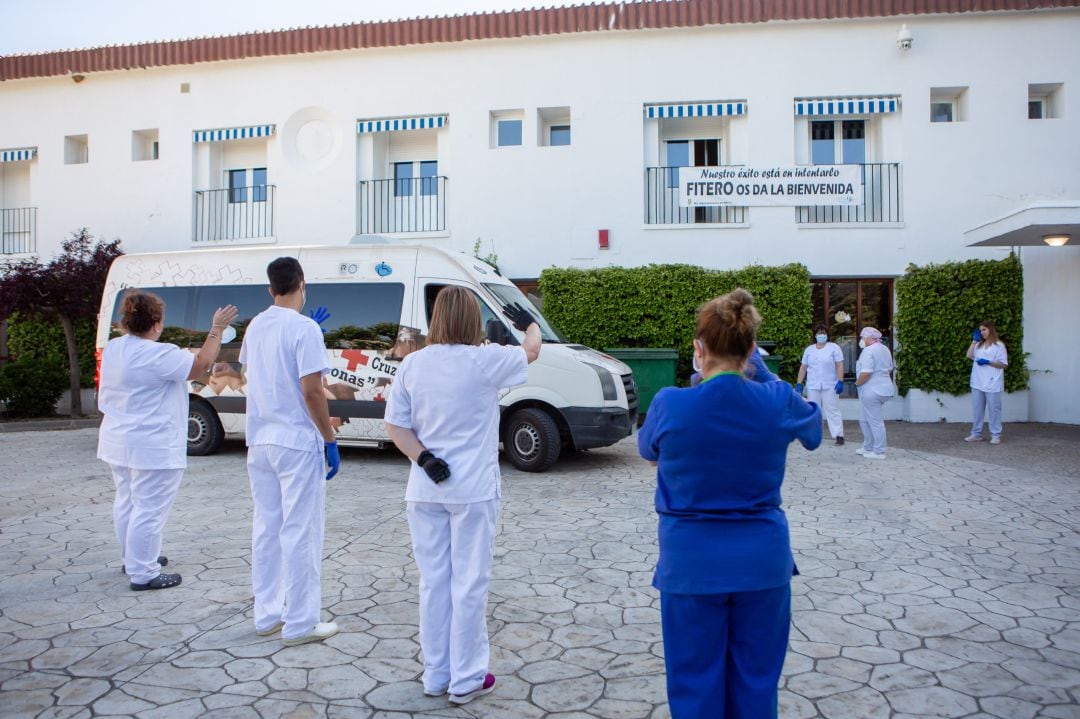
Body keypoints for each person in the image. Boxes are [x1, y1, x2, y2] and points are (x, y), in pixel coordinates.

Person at [637, 288, 821, 719]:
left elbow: (648, 450)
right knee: (757, 685)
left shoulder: (670, 403)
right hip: (762, 562)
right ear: (752, 349)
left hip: (691, 565)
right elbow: (812, 429)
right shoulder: (775, 401)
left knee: (695, 686)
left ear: (698, 350)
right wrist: (768, 379)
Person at [384, 287, 541, 705]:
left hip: (425, 489)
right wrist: (527, 322)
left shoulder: (412, 365)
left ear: (436, 319)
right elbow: (531, 351)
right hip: (472, 491)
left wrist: (425, 459)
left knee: (434, 584)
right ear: (473, 320)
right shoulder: (485, 360)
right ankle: (467, 677)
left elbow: (396, 427)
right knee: (468, 584)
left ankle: (436, 675)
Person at [98, 290, 237, 590]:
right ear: (156, 323)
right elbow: (200, 365)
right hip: (152, 444)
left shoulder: (114, 348)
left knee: (127, 501)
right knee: (149, 508)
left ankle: (133, 558)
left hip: (118, 439)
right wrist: (217, 329)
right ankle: (143, 573)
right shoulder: (159, 354)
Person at [240, 257, 341, 646]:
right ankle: (301, 622)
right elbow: (312, 391)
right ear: (303, 284)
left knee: (267, 529)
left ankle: (267, 615)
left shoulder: (256, 325)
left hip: (260, 441)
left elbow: (255, 377)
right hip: (296, 443)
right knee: (301, 531)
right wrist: (329, 439)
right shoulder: (305, 328)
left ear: (271, 288)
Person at [795, 324, 846, 445]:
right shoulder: (809, 349)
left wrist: (840, 381)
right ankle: (813, 435)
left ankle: (839, 435)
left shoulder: (834, 347)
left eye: (824, 333)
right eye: (819, 333)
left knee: (832, 410)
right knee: (813, 410)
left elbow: (839, 365)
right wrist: (799, 384)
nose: (822, 335)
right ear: (815, 335)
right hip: (813, 385)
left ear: (827, 335)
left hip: (830, 385)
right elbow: (803, 368)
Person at [854, 326, 894, 460]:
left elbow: (866, 372)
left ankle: (879, 451)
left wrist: (857, 384)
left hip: (872, 390)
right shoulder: (885, 349)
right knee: (864, 419)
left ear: (868, 338)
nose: (861, 340)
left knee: (874, 421)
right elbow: (888, 369)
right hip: (885, 388)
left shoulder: (868, 351)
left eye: (862, 337)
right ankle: (868, 446)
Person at [965, 321, 1008, 444]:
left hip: (992, 382)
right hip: (978, 381)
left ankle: (995, 434)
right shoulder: (979, 345)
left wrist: (988, 362)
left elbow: (1003, 364)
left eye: (984, 329)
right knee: (977, 409)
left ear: (991, 330)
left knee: (994, 410)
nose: (982, 332)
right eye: (980, 330)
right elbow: (969, 355)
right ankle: (976, 434)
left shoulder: (999, 345)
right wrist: (974, 341)